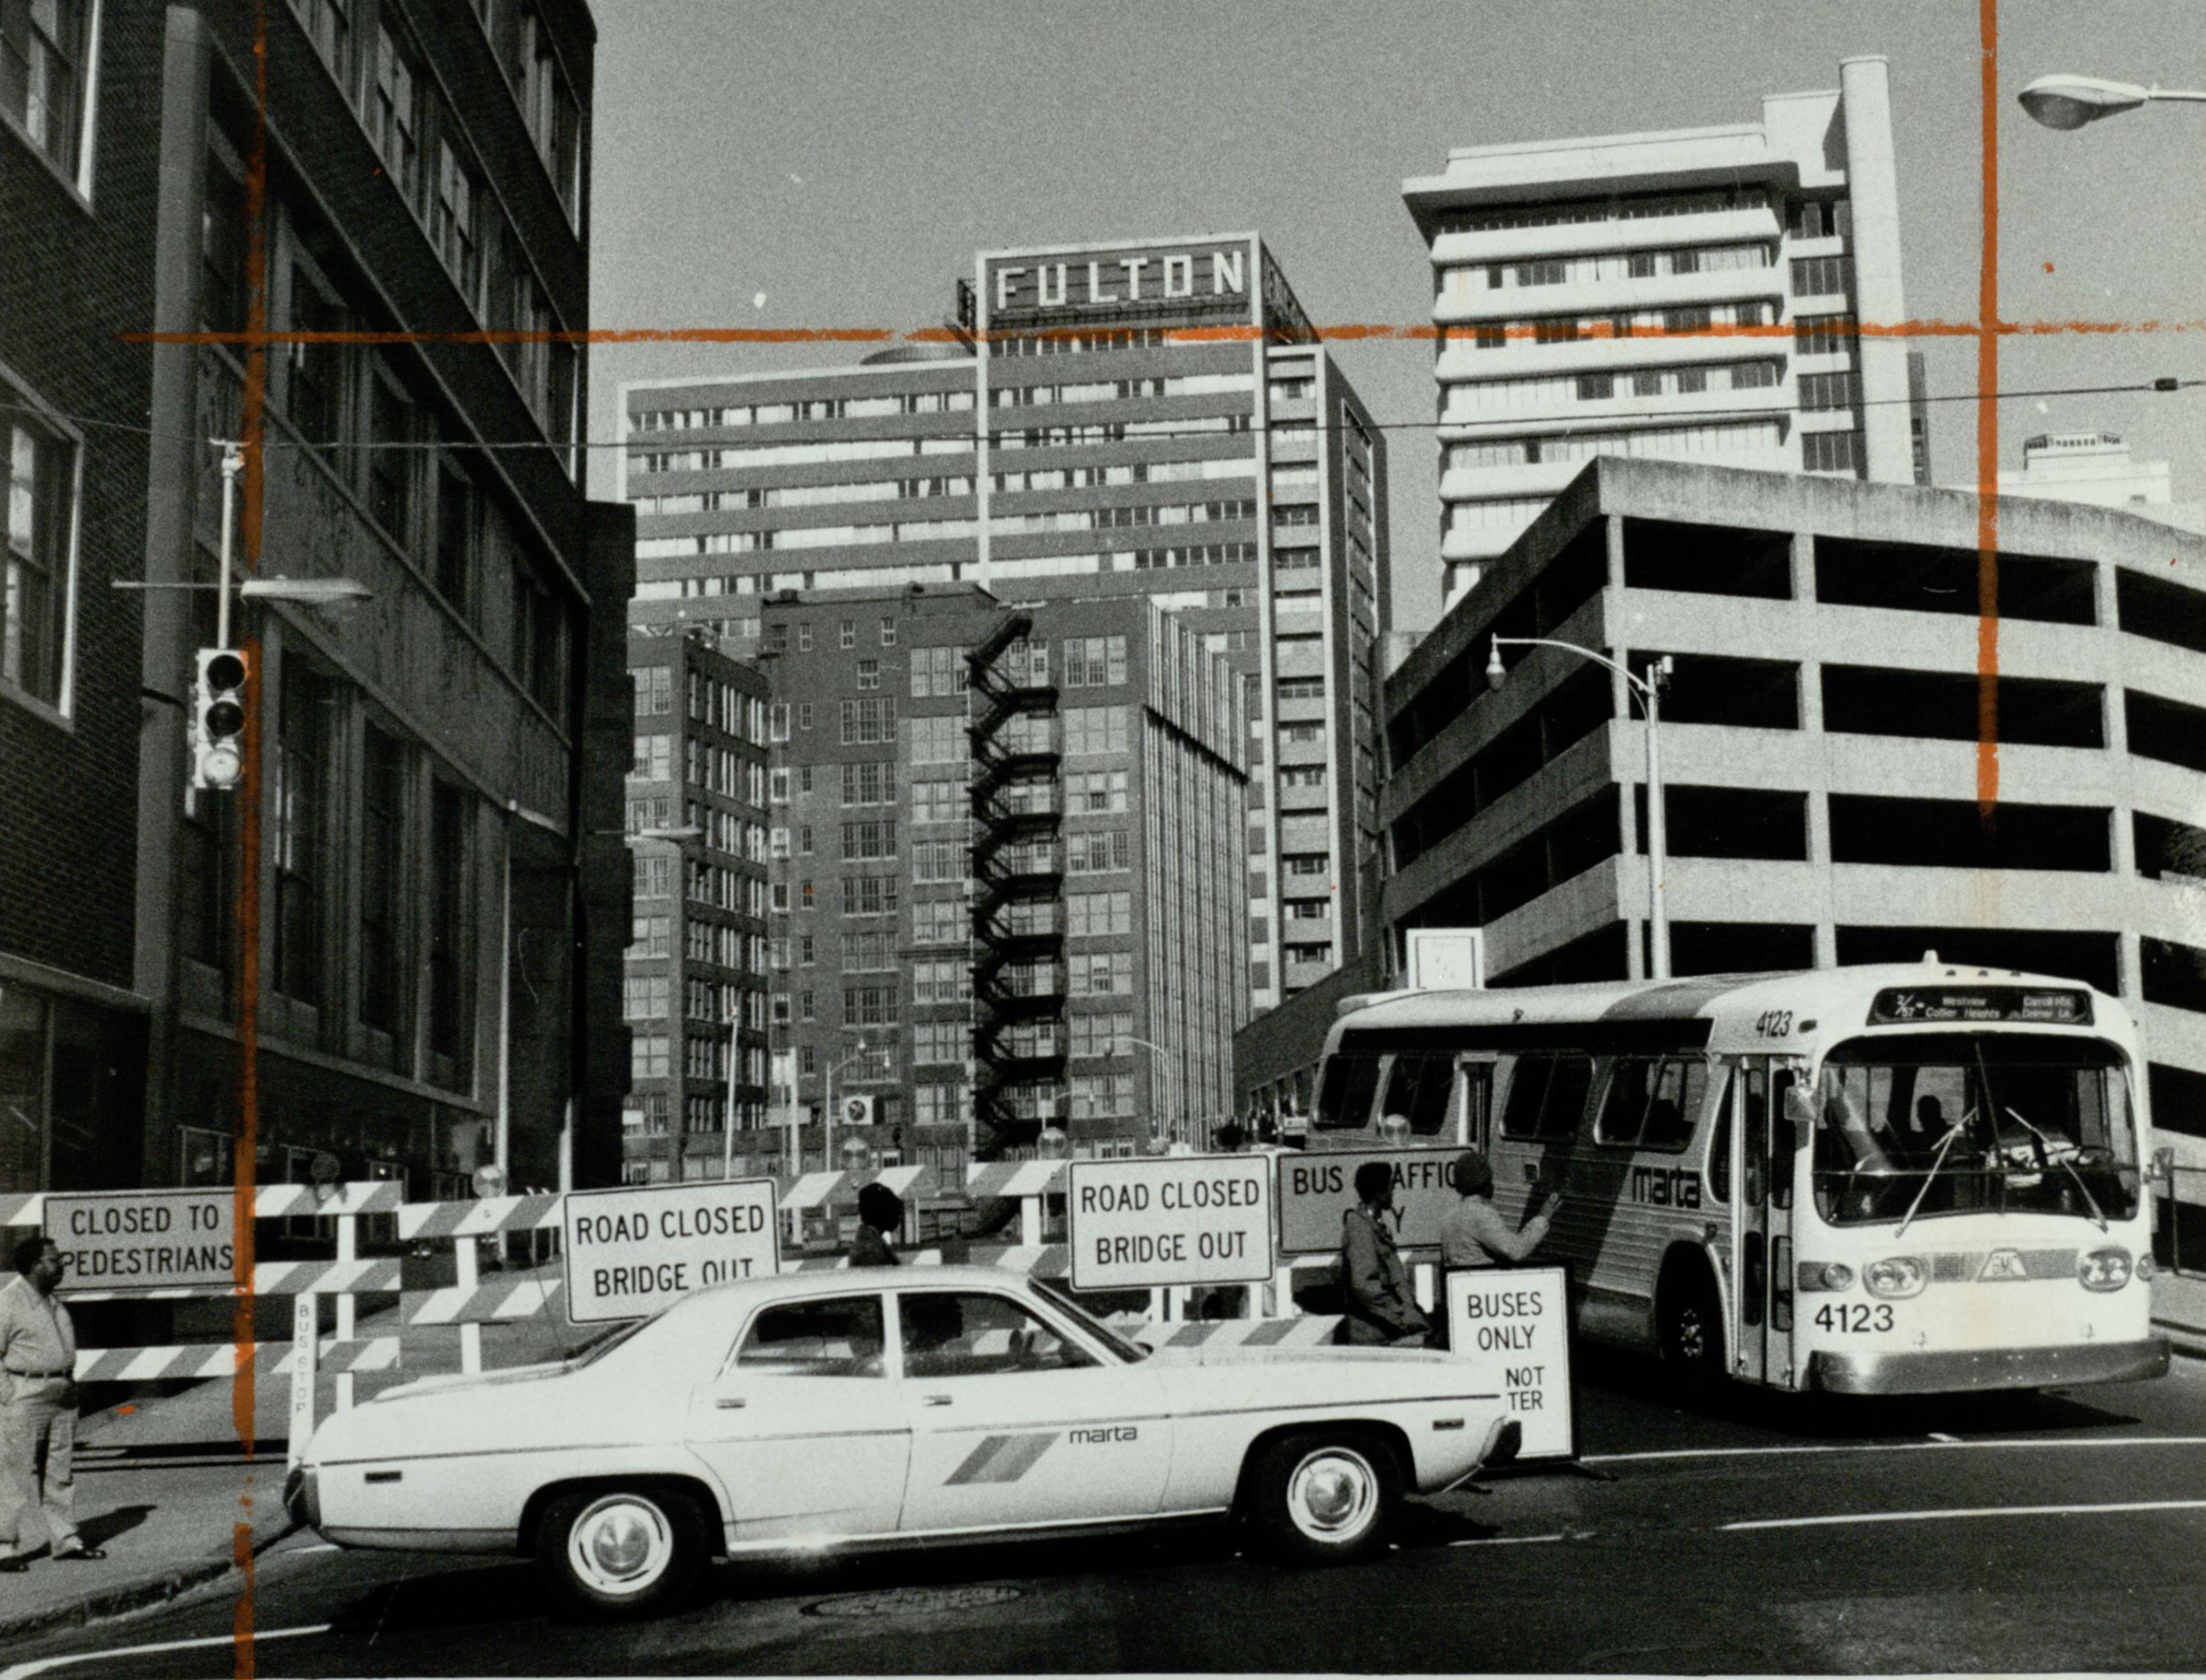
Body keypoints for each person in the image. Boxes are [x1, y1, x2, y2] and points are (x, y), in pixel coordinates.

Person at [0, 1238, 101, 1569]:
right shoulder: (9, 1303)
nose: (61, 1266)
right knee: (12, 1474)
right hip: (26, 1393)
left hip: (61, 1395)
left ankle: (67, 1541)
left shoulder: (53, 1303)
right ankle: (5, 1548)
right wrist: (8, 1394)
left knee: (59, 1473)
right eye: (54, 1260)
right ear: (35, 1266)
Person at [1339, 1162, 1430, 1347]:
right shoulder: (1360, 1227)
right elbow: (1364, 1285)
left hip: (1386, 1330)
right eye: (1390, 1188)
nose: (1393, 1194)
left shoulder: (1374, 1224)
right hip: (1372, 1334)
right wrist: (1402, 1316)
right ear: (1377, 1193)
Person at [1440, 1152, 1559, 1271]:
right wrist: (1543, 1218)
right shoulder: (1480, 1214)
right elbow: (1515, 1250)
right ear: (1487, 1185)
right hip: (1483, 1285)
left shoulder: (1451, 1216)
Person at [849, 1183, 905, 1268]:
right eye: (892, 1209)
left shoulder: (869, 1242)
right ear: (881, 1212)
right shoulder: (870, 1250)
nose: (899, 1217)